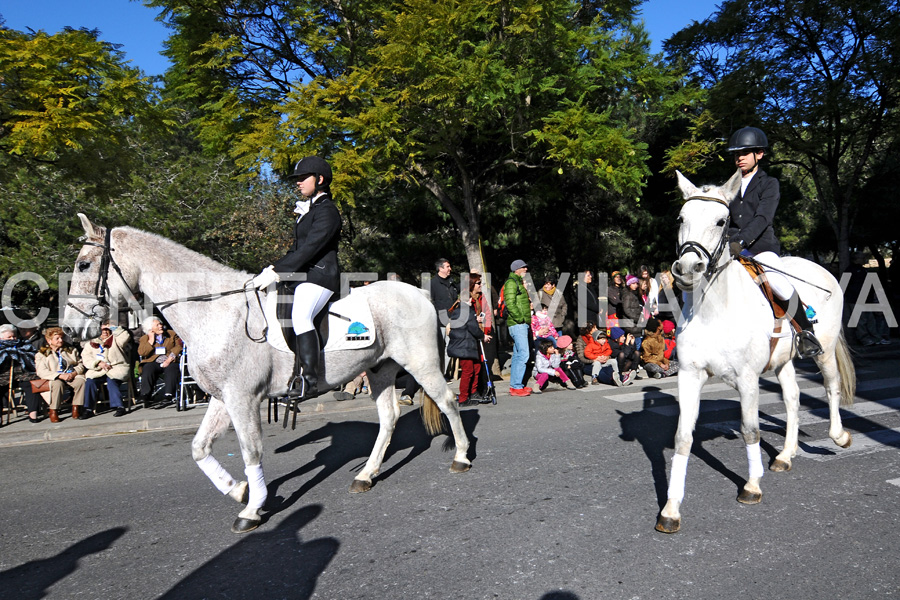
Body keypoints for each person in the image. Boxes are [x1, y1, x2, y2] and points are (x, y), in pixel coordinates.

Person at [726, 126, 822, 358]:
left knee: (777, 281)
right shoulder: (729, 184)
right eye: (736, 153)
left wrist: (741, 240)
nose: (739, 157)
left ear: (759, 154)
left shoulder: (769, 183)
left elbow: (763, 218)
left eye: (745, 152)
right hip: (731, 250)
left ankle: (805, 332)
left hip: (760, 248)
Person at [253, 156, 342, 399]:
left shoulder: (328, 212)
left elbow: (310, 248)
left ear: (320, 180)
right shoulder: (308, 211)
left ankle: (310, 380)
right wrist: (273, 268)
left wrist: (279, 272)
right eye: (297, 179)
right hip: (303, 276)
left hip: (321, 276)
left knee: (301, 316)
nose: (298, 183)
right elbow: (295, 251)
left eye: (304, 178)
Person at [447, 275, 493, 407]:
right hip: (465, 345)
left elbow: (471, 322)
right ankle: (463, 398)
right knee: (468, 371)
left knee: (476, 367)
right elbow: (471, 326)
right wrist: (482, 335)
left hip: (469, 343)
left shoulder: (467, 309)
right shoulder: (464, 309)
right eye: (478, 283)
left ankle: (473, 393)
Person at [35, 327, 86, 422]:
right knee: (58, 384)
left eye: (61, 338)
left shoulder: (71, 350)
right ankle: (54, 410)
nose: (61, 340)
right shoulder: (42, 354)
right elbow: (41, 371)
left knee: (81, 381)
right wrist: (59, 376)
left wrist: (74, 373)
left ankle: (76, 407)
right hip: (54, 377)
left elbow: (80, 364)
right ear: (49, 340)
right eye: (57, 338)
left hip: (71, 374)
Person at [82, 324, 131, 417]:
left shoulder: (116, 339)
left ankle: (119, 407)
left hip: (116, 368)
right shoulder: (90, 344)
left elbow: (126, 335)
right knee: (90, 382)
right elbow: (86, 359)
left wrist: (113, 327)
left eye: (106, 329)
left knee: (112, 381)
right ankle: (88, 408)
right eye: (102, 330)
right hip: (98, 370)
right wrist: (98, 363)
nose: (104, 332)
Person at [137, 316, 182, 408]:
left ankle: (168, 395)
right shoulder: (144, 338)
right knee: (148, 368)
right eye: (157, 325)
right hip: (154, 361)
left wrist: (170, 358)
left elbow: (179, 346)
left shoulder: (171, 334)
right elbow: (142, 352)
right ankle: (145, 394)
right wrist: (151, 340)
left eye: (160, 324)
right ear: (150, 329)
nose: (160, 326)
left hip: (169, 360)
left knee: (172, 369)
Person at [503, 259, 533, 397]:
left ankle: (516, 385)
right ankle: (516, 386)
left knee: (517, 355)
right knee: (524, 354)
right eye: (523, 268)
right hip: (518, 323)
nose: (526, 270)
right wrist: (520, 318)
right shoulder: (511, 282)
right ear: (516, 269)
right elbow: (510, 303)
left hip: (521, 323)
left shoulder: (517, 282)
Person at [0, 324, 40, 423]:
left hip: (22, 375)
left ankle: (33, 413)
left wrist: (19, 355)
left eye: (14, 336)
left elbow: (33, 357)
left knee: (32, 384)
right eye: (9, 337)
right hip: (3, 377)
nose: (12, 339)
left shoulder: (24, 344)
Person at [430, 258, 459, 378]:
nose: (450, 269)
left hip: (452, 320)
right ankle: (434, 374)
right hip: (438, 321)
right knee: (437, 349)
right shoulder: (432, 284)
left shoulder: (452, 282)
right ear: (440, 268)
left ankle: (444, 373)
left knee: (450, 347)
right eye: (447, 267)